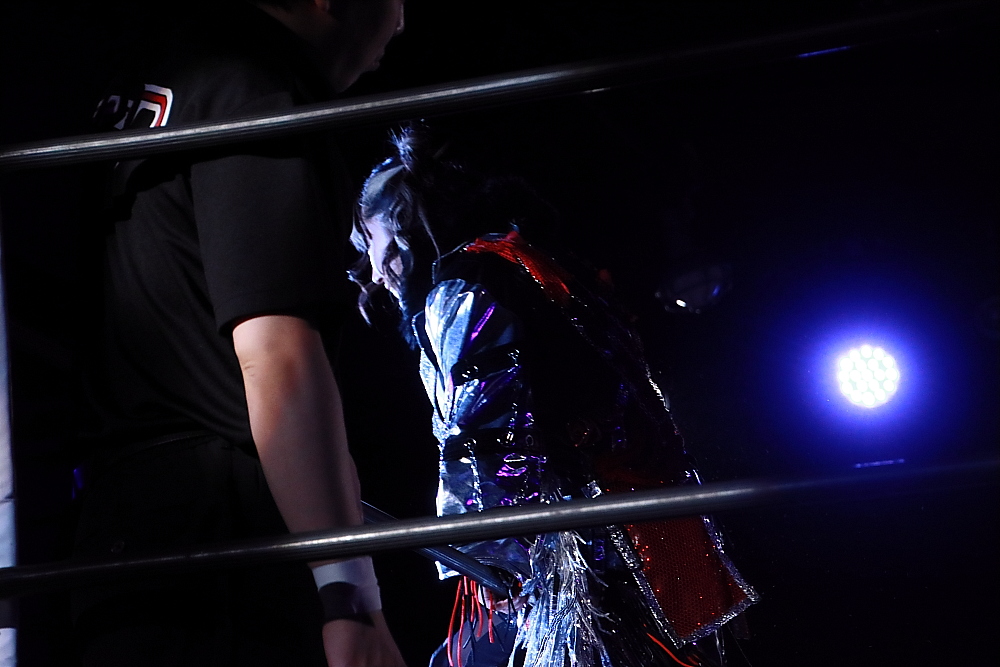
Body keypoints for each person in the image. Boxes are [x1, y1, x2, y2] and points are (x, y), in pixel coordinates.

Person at [350, 127, 759, 667]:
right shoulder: (531, 262)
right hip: (653, 537)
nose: (373, 269)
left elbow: (487, 431)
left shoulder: (464, 286)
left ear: (404, 226)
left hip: (587, 558)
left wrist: (492, 548)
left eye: (371, 242)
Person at [75, 1, 407, 666]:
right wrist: (349, 600)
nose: (400, 24)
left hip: (112, 523)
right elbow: (275, 355)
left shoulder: (150, 71)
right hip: (223, 539)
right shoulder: (253, 83)